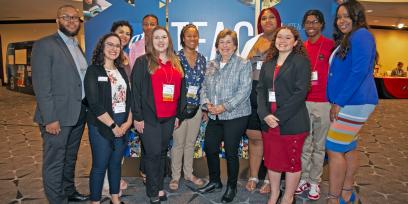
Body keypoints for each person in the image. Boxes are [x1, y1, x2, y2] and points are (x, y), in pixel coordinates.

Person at [31, 5, 89, 204]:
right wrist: (50, 118)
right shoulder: (45, 45)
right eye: (66, 17)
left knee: (69, 158)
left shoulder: (75, 45)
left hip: (78, 113)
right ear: (57, 21)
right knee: (55, 161)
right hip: (57, 117)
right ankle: (57, 200)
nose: (72, 21)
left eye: (75, 18)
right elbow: (41, 85)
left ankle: (68, 191)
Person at [326, 1, 378, 203]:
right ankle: (347, 192)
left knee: (334, 148)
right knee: (348, 146)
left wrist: (338, 101)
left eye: (347, 16)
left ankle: (334, 197)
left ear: (357, 16)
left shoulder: (362, 35)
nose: (341, 20)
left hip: (354, 102)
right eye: (339, 17)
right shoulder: (349, 38)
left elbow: (358, 72)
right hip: (351, 101)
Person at [131, 26, 186, 204]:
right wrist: (137, 117)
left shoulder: (176, 61)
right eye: (156, 38)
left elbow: (181, 91)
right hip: (149, 118)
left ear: (169, 40)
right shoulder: (143, 62)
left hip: (169, 118)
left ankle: (159, 186)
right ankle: (153, 192)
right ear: (151, 41)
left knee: (162, 153)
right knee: (153, 154)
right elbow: (136, 92)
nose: (161, 41)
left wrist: (178, 115)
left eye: (164, 37)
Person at [257, 26, 311, 204]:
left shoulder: (301, 62)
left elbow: (300, 93)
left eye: (288, 38)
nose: (283, 41)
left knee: (291, 162)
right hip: (268, 122)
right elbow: (261, 90)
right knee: (273, 161)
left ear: (295, 42)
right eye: (280, 37)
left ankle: (288, 197)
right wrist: (264, 114)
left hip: (291, 123)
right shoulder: (268, 62)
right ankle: (274, 195)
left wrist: (277, 117)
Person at [197, 29, 252, 203]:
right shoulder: (211, 64)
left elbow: (244, 91)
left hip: (236, 115)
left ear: (235, 45)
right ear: (217, 45)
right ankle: (215, 181)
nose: (225, 45)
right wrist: (207, 104)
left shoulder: (243, 64)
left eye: (229, 42)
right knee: (210, 147)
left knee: (230, 151)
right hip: (215, 115)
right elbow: (204, 87)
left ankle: (232, 186)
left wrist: (224, 107)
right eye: (222, 42)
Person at [84, 33, 132, 204]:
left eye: (117, 46)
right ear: (102, 48)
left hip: (122, 125)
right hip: (102, 126)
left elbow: (129, 99)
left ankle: (115, 198)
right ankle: (95, 201)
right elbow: (94, 103)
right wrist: (113, 126)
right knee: (99, 166)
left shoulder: (121, 71)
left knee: (115, 164)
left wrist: (127, 123)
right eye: (109, 45)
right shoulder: (93, 70)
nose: (114, 49)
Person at [240, 6, 281, 194]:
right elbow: (242, 68)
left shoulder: (284, 40)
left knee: (273, 139)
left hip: (274, 95)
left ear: (278, 20)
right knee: (254, 137)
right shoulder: (252, 42)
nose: (268, 21)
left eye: (272, 17)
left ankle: (269, 178)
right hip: (253, 94)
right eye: (264, 18)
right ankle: (254, 176)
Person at [295, 9, 335, 201]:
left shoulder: (330, 45)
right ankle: (302, 178)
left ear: (321, 24)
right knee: (304, 145)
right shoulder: (301, 47)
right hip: (304, 102)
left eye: (314, 22)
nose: (311, 26)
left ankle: (314, 182)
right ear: (304, 26)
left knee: (319, 146)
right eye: (307, 22)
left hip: (324, 103)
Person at [169, 24, 205, 191]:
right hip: (179, 109)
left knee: (190, 143)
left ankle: (189, 173)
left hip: (196, 107)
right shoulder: (175, 58)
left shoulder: (202, 59)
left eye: (195, 35)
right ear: (183, 38)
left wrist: (204, 108)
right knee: (178, 143)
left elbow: (205, 85)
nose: (193, 39)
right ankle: (175, 177)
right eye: (189, 36)